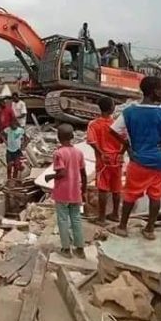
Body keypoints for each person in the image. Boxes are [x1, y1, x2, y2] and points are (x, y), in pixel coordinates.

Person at [110, 76, 161, 240]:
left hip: (138, 160)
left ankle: (123, 227)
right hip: (158, 161)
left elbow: (113, 130)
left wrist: (128, 147)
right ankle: (150, 229)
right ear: (154, 92)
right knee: (155, 195)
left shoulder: (130, 112)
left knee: (130, 194)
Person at [45, 124, 87, 259]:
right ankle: (80, 249)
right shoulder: (78, 152)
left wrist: (50, 176)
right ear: (73, 137)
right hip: (75, 190)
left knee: (63, 219)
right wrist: (83, 189)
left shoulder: (58, 153)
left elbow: (62, 173)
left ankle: (66, 249)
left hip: (62, 191)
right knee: (76, 218)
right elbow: (84, 173)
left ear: (58, 138)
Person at [87, 97, 124, 225]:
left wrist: (101, 152)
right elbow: (126, 140)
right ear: (111, 108)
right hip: (117, 159)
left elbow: (91, 141)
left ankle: (101, 218)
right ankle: (115, 214)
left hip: (103, 160)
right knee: (116, 187)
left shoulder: (94, 124)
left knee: (103, 188)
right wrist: (121, 153)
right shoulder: (117, 124)